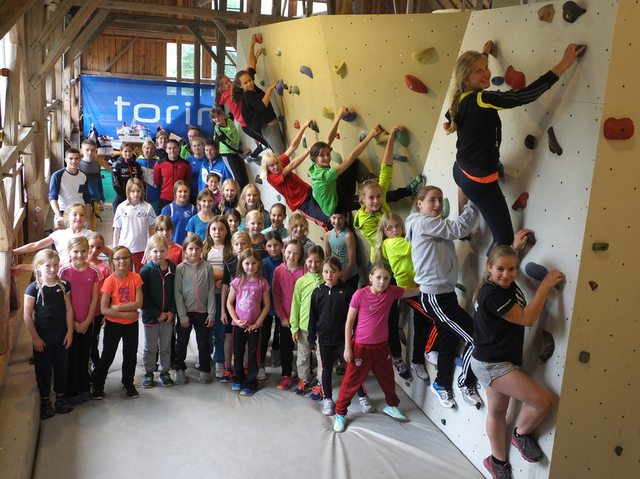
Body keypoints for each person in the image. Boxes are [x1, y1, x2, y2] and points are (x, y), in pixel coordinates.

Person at [446, 41, 583, 253]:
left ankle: (462, 227)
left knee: (464, 186)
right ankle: (487, 283)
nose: (486, 73)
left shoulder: (459, 99)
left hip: (460, 170)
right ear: (466, 79)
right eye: (479, 71)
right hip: (480, 182)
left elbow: (450, 116)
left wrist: (485, 54)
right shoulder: (482, 99)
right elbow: (522, 96)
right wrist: (562, 65)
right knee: (504, 237)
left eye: (486, 67)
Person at [471, 245, 563, 478]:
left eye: (512, 269)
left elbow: (504, 258)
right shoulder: (492, 294)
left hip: (495, 359)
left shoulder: (501, 283)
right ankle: (520, 435)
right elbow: (528, 318)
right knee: (543, 401)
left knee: (498, 410)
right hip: (492, 364)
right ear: (489, 267)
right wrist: (544, 286)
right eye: (500, 269)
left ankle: (497, 462)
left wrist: (514, 246)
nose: (506, 274)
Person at [404, 185, 481, 409]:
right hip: (436, 298)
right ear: (420, 204)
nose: (438, 205)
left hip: (443, 295)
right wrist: (474, 200)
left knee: (449, 340)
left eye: (440, 200)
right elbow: (458, 228)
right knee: (476, 336)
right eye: (432, 200)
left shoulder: (425, 224)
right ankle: (465, 382)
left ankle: (441, 384)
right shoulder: (423, 222)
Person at [333, 262, 420, 433]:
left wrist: (430, 285)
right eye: (378, 277)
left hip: (381, 347)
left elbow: (412, 291)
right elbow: (349, 322)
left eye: (386, 278)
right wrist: (347, 348)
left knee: (387, 378)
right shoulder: (360, 295)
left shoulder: (392, 292)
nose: (382, 281)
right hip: (360, 347)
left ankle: (392, 406)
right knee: (351, 382)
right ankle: (340, 413)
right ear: (371, 278)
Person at [374, 212, 436, 382]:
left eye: (397, 226)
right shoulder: (392, 243)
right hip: (406, 290)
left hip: (416, 287)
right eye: (390, 228)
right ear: (385, 232)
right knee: (428, 317)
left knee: (421, 321)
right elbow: (414, 246)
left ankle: (419, 358)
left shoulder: (398, 241)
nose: (394, 230)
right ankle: (425, 353)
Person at [308, 257, 372, 417]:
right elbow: (312, 317)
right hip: (323, 339)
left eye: (333, 271)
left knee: (352, 368)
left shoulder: (348, 291)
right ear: (322, 272)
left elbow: (355, 316)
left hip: (343, 339)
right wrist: (311, 339)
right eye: (326, 271)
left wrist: (356, 335)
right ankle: (328, 399)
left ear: (340, 272)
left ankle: (363, 396)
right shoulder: (317, 293)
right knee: (326, 370)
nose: (329, 275)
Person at [354, 126, 423, 264]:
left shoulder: (380, 197)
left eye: (379, 196)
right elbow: (385, 241)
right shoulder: (365, 221)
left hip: (395, 250)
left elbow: (386, 169)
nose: (376, 201)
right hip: (382, 261)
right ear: (362, 199)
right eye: (371, 198)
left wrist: (391, 138)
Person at [23, 250, 75, 419]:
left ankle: (60, 398)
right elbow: (27, 315)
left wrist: (69, 332)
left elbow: (68, 309)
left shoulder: (64, 285)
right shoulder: (33, 288)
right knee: (44, 368)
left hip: (61, 335)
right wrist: (35, 338)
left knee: (62, 366)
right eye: (48, 266)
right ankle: (45, 400)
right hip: (43, 337)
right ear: (38, 267)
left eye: (55, 265)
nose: (53, 269)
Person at [91, 246, 143, 400]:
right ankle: (97, 383)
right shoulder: (109, 281)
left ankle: (128, 382)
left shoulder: (136, 278)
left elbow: (138, 302)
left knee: (130, 354)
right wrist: (127, 315)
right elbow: (104, 309)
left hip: (131, 325)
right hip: (114, 324)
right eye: (118, 258)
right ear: (112, 261)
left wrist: (119, 307)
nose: (122, 261)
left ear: (130, 259)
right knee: (108, 354)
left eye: (125, 257)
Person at [58, 237, 102, 405]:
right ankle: (71, 390)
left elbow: (94, 299)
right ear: (69, 252)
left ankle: (85, 388)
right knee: (71, 357)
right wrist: (73, 323)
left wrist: (87, 321)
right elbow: (62, 300)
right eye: (75, 251)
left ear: (88, 251)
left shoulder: (94, 271)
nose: (80, 255)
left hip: (87, 323)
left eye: (83, 251)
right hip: (69, 324)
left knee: (85, 356)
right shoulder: (63, 272)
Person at [308, 126, 381, 219]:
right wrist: (370, 136)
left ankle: (359, 178)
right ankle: (404, 191)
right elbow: (352, 156)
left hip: (332, 190)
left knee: (353, 163)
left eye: (328, 154)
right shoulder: (326, 175)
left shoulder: (313, 166)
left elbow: (328, 140)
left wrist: (339, 116)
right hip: (335, 206)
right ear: (314, 158)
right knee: (367, 200)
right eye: (322, 155)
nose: (326, 158)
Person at [226, 248, 270, 396]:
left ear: (258, 264)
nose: (250, 266)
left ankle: (251, 382)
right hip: (239, 325)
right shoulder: (237, 282)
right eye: (247, 263)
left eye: (253, 263)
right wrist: (236, 320)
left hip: (254, 327)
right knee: (237, 353)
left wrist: (258, 323)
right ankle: (238, 378)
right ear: (241, 264)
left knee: (252, 354)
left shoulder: (262, 283)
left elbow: (267, 305)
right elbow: (229, 303)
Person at [215, 33, 268, 152]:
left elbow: (249, 68)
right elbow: (248, 70)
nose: (229, 83)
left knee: (267, 142)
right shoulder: (228, 94)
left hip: (251, 121)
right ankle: (253, 156)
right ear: (221, 89)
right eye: (226, 83)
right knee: (269, 143)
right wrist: (252, 44)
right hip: (248, 124)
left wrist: (255, 56)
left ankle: (253, 155)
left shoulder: (234, 89)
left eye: (228, 80)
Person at [174, 235, 216, 385]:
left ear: (202, 249)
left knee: (203, 342)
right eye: (190, 248)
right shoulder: (180, 268)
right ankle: (179, 368)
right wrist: (182, 315)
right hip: (186, 313)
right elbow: (177, 293)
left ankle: (205, 369)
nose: (194, 251)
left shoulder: (207, 267)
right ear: (185, 250)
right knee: (181, 343)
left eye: (197, 248)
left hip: (203, 312)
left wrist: (211, 313)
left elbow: (211, 290)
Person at [140, 235, 177, 389]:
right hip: (151, 317)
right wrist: (157, 313)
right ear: (149, 252)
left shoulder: (173, 269)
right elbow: (143, 298)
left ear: (167, 251)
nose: (159, 254)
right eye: (155, 251)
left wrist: (171, 312)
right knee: (150, 347)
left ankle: (165, 371)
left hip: (168, 317)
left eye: (162, 251)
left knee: (166, 346)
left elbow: (177, 292)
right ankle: (149, 372)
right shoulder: (145, 271)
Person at [290, 245, 324, 398]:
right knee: (303, 357)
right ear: (305, 261)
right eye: (310, 261)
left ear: (322, 262)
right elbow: (295, 305)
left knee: (322, 358)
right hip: (304, 327)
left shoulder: (327, 280)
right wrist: (294, 327)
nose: (313, 265)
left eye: (317, 261)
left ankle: (322, 383)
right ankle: (304, 379)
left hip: (322, 329)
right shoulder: (301, 281)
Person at [202, 216, 233, 379]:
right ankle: (206, 357)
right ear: (209, 231)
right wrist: (216, 278)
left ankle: (220, 360)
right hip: (207, 297)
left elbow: (233, 273)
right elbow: (201, 272)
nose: (217, 232)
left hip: (224, 296)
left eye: (221, 229)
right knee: (207, 328)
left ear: (227, 231)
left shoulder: (230, 250)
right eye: (214, 229)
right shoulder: (205, 249)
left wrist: (223, 279)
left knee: (221, 330)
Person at [13, 203, 94, 266]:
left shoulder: (90, 235)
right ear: (67, 217)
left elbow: (102, 248)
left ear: (86, 218)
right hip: (63, 270)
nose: (79, 217)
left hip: (84, 270)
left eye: (82, 215)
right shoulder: (59, 234)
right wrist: (15, 252)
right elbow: (36, 245)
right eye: (74, 214)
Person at [272, 240, 305, 390]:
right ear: (284, 252)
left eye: (296, 253)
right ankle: (286, 375)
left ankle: (305, 376)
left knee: (305, 349)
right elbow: (276, 295)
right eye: (289, 252)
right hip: (286, 319)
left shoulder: (304, 271)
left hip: (302, 318)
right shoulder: (279, 270)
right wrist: (283, 316)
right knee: (286, 348)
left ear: (300, 256)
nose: (292, 255)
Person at [220, 231, 252, 382]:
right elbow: (225, 288)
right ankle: (227, 366)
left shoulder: (253, 263)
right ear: (232, 246)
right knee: (229, 336)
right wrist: (223, 311)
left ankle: (245, 366)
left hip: (248, 308)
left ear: (249, 244)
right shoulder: (229, 263)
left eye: (243, 243)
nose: (240, 247)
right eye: (237, 244)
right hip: (231, 307)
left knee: (244, 337)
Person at [113, 178, 156, 273]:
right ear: (128, 192)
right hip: (124, 248)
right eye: (133, 191)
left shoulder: (148, 207)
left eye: (138, 191)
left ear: (142, 191)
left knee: (141, 274)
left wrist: (151, 247)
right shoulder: (121, 207)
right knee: (125, 274)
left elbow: (152, 229)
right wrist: (115, 249)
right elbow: (117, 229)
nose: (136, 194)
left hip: (142, 248)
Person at [259, 231, 284, 380]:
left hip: (282, 305)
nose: (273, 248)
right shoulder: (262, 264)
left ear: (281, 245)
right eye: (270, 246)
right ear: (265, 247)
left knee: (280, 333)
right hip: (266, 306)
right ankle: (261, 362)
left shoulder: (285, 263)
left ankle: (277, 354)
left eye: (276, 245)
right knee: (264, 335)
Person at [49, 148, 91, 230]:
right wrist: (58, 216)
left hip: (80, 210)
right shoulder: (58, 176)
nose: (74, 161)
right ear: (66, 160)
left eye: (76, 158)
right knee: (59, 236)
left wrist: (88, 217)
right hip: (64, 210)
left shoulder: (84, 176)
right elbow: (52, 197)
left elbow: (87, 198)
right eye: (71, 158)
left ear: (80, 160)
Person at [86, 232, 110, 373]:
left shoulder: (105, 269)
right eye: (91, 246)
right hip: (81, 312)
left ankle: (97, 366)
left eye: (98, 248)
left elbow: (110, 293)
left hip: (97, 312)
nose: (94, 251)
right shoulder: (77, 265)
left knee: (93, 340)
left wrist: (106, 314)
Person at [210, 106, 251, 187]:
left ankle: (244, 197)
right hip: (226, 154)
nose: (217, 119)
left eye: (218, 116)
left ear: (222, 115)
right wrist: (242, 152)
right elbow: (228, 143)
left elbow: (234, 109)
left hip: (234, 152)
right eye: (214, 118)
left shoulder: (228, 119)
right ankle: (234, 198)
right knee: (237, 178)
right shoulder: (218, 130)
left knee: (244, 177)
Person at [324, 212, 359, 292]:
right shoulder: (328, 235)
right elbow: (328, 259)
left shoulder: (348, 235)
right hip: (335, 277)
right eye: (334, 218)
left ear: (345, 219)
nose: (336, 221)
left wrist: (342, 281)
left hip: (349, 277)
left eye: (340, 218)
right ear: (330, 218)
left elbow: (352, 263)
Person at [154, 139, 192, 210]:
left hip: (181, 198)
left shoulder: (186, 164)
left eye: (174, 148)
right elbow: (157, 181)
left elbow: (187, 181)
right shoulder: (159, 164)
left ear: (179, 149)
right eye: (169, 148)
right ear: (166, 150)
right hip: (165, 198)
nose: (172, 150)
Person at [160, 181, 197, 247]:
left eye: (185, 191)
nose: (183, 194)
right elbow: (161, 230)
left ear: (189, 192)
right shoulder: (168, 209)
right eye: (180, 191)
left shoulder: (193, 209)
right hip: (172, 246)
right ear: (175, 193)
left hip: (188, 246)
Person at [79, 139, 105, 231]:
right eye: (87, 150)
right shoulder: (78, 165)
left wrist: (101, 197)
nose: (89, 152)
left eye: (92, 150)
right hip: (82, 200)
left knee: (92, 228)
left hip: (95, 199)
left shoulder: (97, 165)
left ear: (96, 151)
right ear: (81, 150)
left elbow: (99, 182)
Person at [110, 142, 143, 215]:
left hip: (135, 197)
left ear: (132, 151)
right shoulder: (116, 165)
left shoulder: (137, 165)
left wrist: (136, 196)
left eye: (130, 151)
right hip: (121, 197)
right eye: (125, 151)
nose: (128, 153)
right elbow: (115, 184)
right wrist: (125, 198)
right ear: (121, 151)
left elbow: (140, 181)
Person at [137, 140, 161, 214]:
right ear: (143, 149)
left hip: (155, 197)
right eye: (147, 148)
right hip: (141, 197)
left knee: (154, 218)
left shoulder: (158, 162)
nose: (149, 151)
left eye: (152, 148)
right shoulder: (138, 162)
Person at [186, 136, 205, 205]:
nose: (197, 148)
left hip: (204, 192)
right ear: (191, 147)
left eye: (199, 145)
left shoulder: (208, 160)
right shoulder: (188, 160)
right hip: (191, 192)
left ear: (203, 146)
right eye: (194, 146)